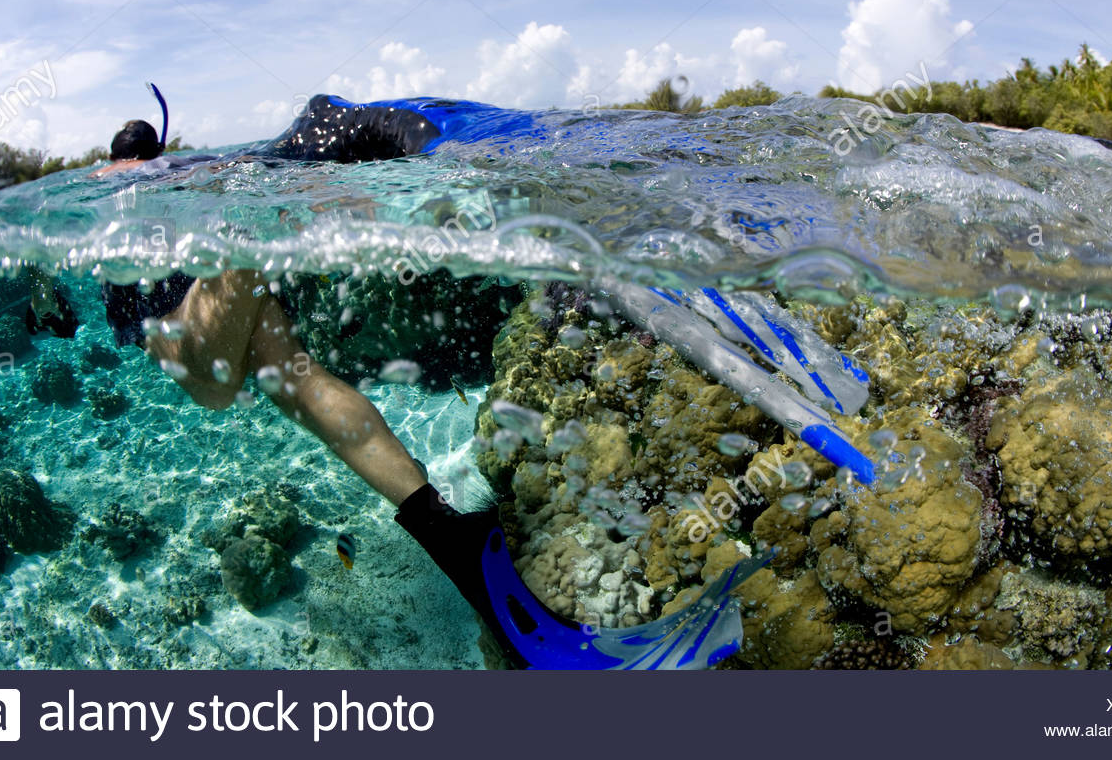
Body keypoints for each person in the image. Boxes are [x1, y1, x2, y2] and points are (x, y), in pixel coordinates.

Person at [93, 86, 790, 670]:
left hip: (258, 202)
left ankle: (446, 533)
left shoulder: (155, 198)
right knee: (286, 379)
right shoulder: (209, 173)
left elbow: (198, 367)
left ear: (122, 160)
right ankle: (446, 533)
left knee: (247, 384)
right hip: (279, 185)